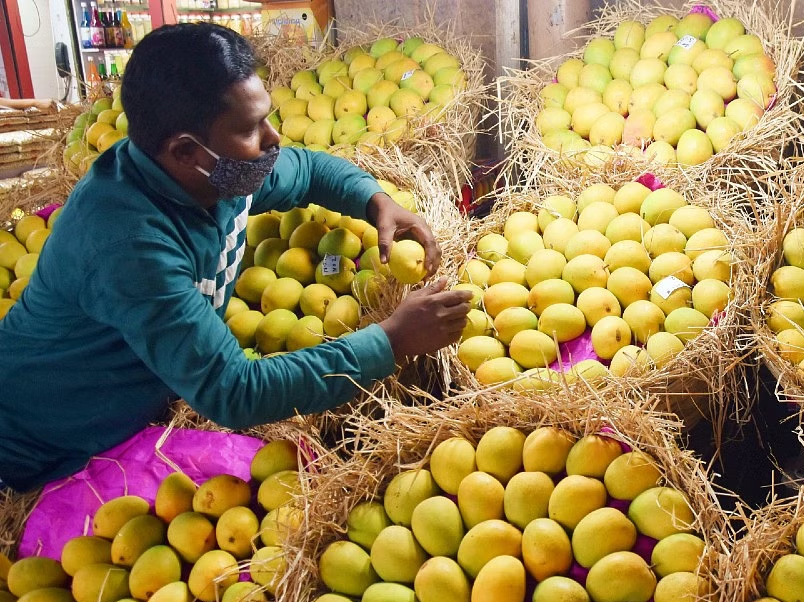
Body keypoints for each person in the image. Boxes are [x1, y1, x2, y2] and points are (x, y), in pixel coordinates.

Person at [0, 23, 472, 492]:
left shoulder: (221, 171)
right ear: (186, 150)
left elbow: (306, 169)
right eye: (250, 128)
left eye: (266, 118)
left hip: (126, 413)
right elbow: (233, 389)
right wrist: (391, 341)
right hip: (45, 448)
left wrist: (373, 200)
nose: (273, 139)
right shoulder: (128, 243)